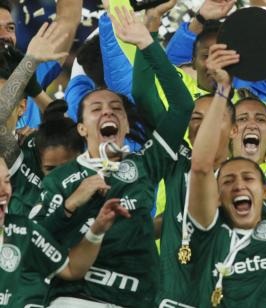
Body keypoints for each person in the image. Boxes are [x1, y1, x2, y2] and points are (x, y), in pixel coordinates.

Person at [34, 5, 195, 306]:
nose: (108, 110)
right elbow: (32, 242)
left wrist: (147, 41)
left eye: (116, 108)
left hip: (140, 299)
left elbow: (182, 108)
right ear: (81, 128)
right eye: (96, 109)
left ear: (124, 123)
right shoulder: (60, 179)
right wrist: (70, 205)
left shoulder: (146, 163)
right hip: (77, 299)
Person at [111, 7, 236, 306]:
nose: (200, 125)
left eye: (211, 119)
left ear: (235, 128)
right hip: (167, 290)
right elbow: (144, 93)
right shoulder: (176, 154)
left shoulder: (245, 173)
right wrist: (148, 34)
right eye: (195, 119)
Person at [186, 41, 266, 306]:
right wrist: (222, 90)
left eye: (249, 179)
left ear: (265, 190)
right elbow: (200, 167)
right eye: (228, 181)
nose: (239, 186)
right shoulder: (206, 229)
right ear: (216, 195)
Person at [0, 155, 131, 307]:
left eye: (7, 181)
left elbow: (72, 269)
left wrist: (97, 230)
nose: (4, 190)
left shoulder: (21, 230)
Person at [0, 23, 82, 219]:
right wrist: (30, 62)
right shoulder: (11, 152)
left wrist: (35, 90)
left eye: (4, 96)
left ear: (22, 107)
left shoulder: (32, 145)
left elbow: (71, 136)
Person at [0, 0, 83, 129]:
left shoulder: (32, 73)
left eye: (10, 28)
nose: (5, 36)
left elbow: (68, 18)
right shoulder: (29, 66)